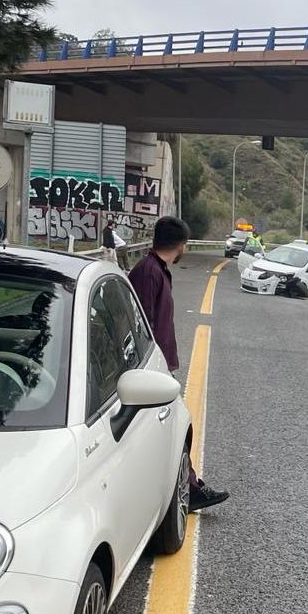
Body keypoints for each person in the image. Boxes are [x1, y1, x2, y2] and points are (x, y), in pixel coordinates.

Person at [128, 217, 229, 512]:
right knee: (175, 427)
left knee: (171, 427)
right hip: (151, 369)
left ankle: (188, 485)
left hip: (159, 365)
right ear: (181, 244)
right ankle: (189, 488)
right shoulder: (148, 273)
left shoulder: (156, 270)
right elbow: (141, 322)